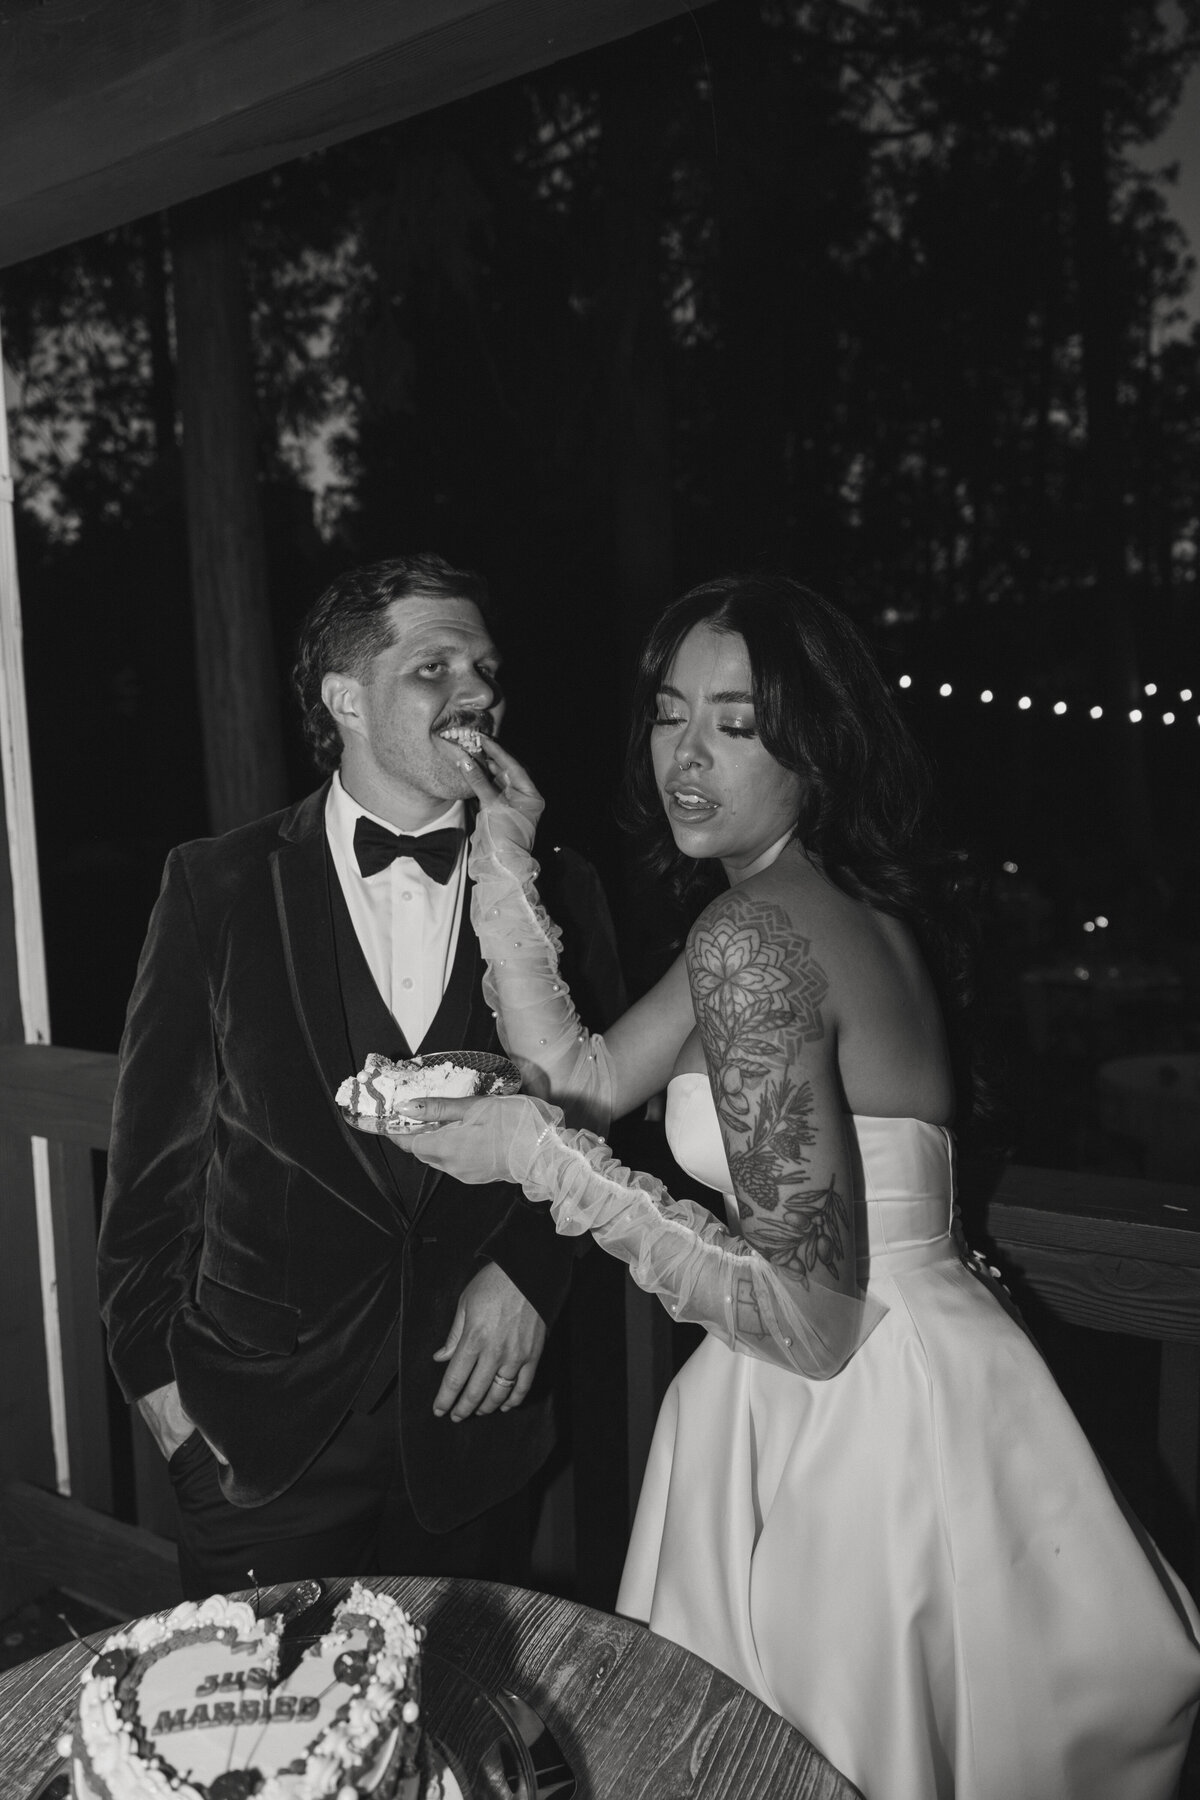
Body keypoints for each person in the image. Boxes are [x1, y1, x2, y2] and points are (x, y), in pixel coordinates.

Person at [393, 572, 1200, 1800]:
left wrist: (531, 1157)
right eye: (671, 714)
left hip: (847, 1413)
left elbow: (808, 1321)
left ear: (813, 750)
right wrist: (503, 860)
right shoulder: (821, 906)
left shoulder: (752, 942)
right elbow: (583, 1074)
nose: (688, 758)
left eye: (738, 721)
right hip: (935, 1370)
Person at [97, 552, 622, 1598]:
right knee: (267, 1748)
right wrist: (162, 1396)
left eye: (485, 668)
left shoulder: (561, 886)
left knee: (452, 1741)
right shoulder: (216, 886)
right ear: (345, 698)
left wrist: (531, 1270)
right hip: (260, 1443)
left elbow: (602, 1113)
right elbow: (153, 1174)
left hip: (473, 1436)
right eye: (434, 668)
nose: (476, 692)